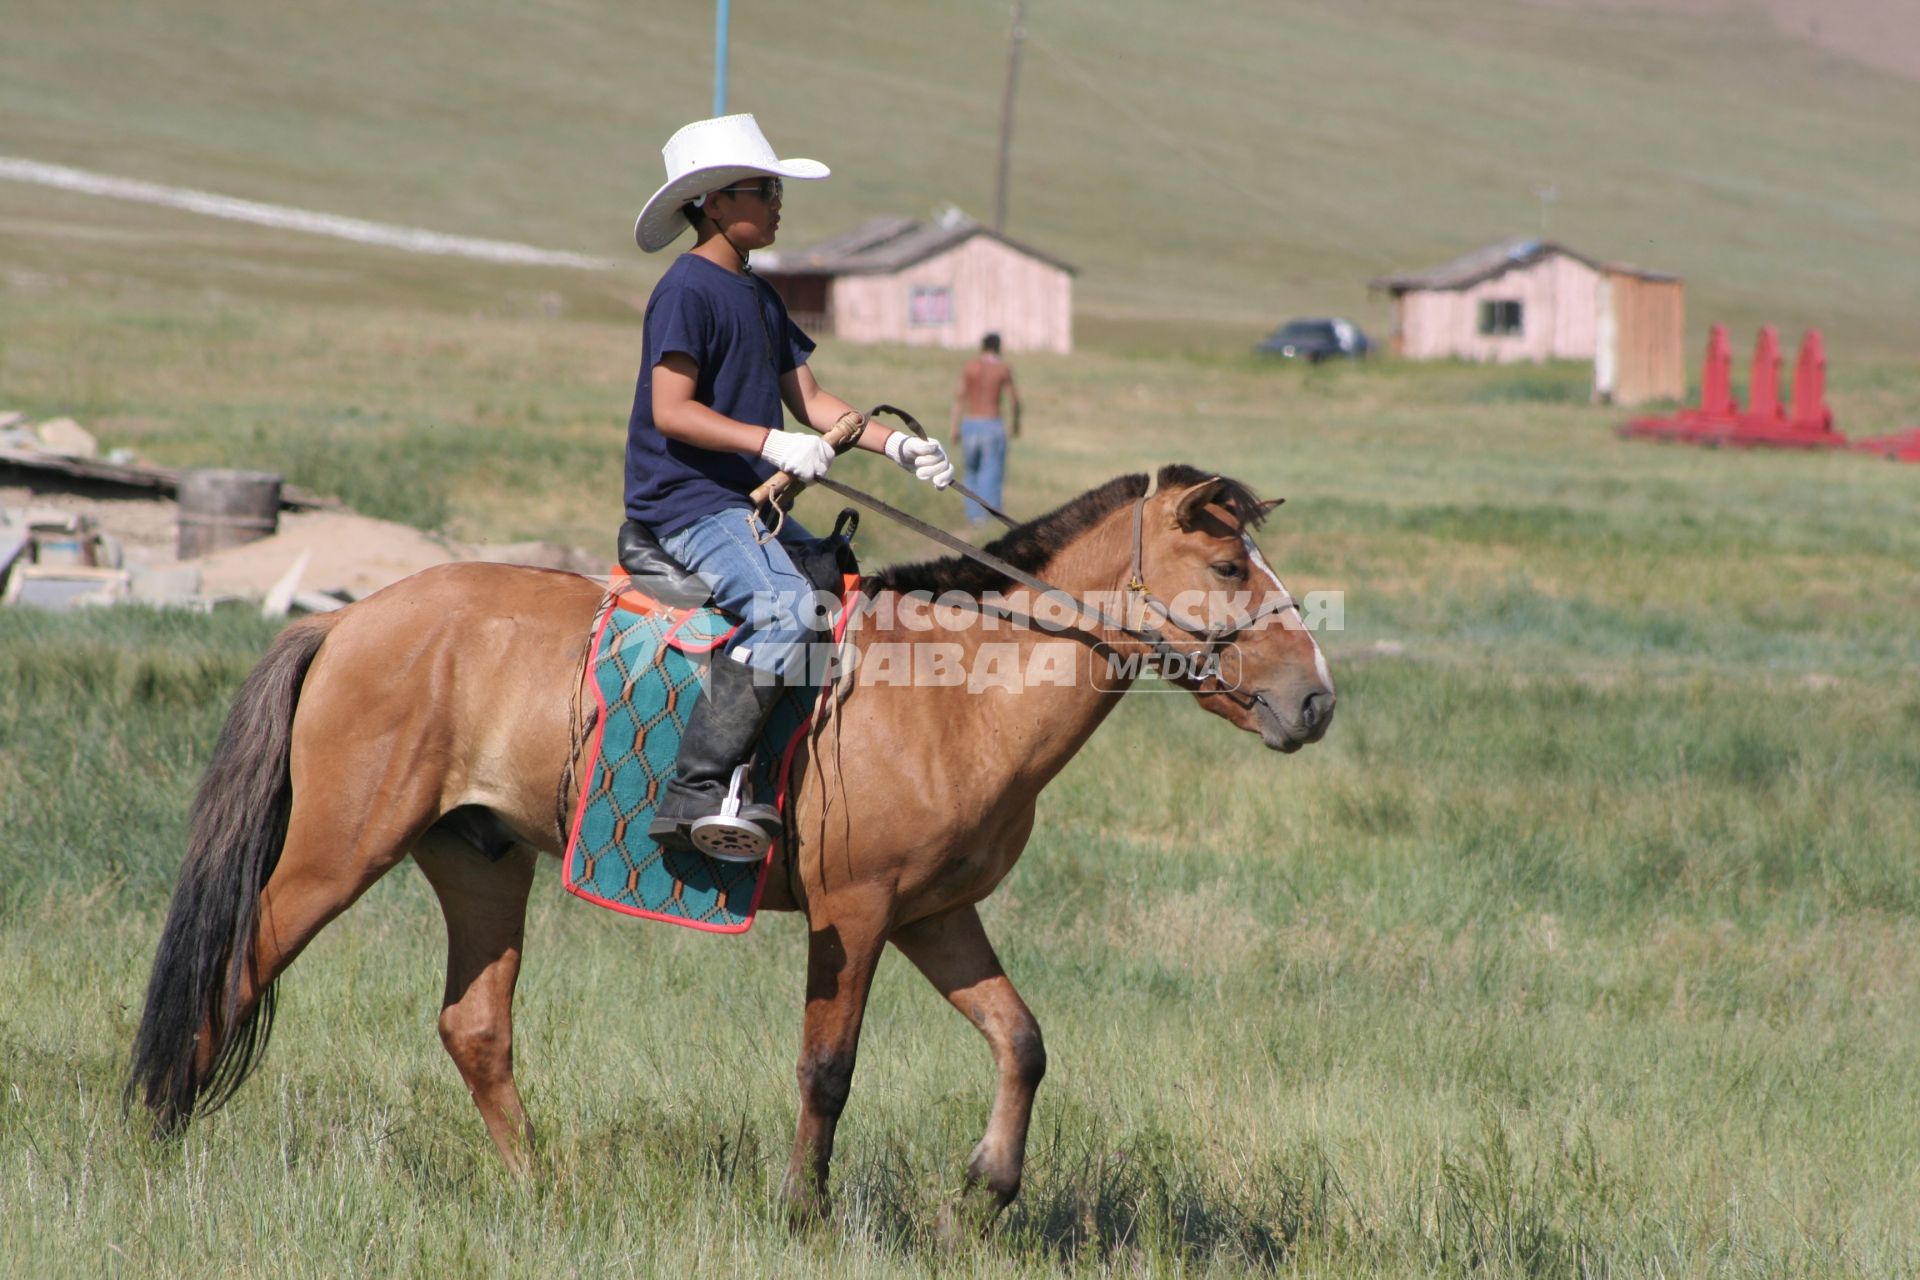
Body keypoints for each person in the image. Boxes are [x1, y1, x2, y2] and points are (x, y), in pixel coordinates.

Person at [626, 114, 954, 858]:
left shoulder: (759, 295)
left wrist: (895, 444)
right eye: (763, 189)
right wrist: (769, 442)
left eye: (776, 189)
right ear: (712, 202)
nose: (778, 202)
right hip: (688, 503)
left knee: (848, 599)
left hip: (748, 505)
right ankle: (696, 792)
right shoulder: (686, 291)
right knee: (782, 612)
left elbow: (814, 404)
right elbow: (670, 411)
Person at [950, 332, 1021, 525]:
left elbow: (959, 398)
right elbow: (1014, 401)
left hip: (970, 423)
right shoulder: (1002, 369)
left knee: (971, 471)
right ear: (998, 347)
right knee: (991, 472)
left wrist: (954, 427)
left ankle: (973, 516)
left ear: (982, 347)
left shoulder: (970, 367)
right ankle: (989, 518)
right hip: (991, 424)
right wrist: (1015, 424)